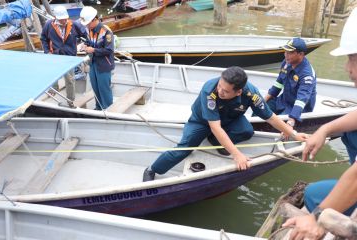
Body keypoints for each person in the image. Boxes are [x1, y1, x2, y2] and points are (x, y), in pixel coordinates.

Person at [143, 66, 308, 182]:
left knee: (247, 131)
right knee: (185, 148)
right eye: (220, 86)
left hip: (230, 119)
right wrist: (237, 155)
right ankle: (153, 169)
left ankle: (218, 143)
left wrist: (294, 134)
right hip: (203, 122)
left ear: (239, 92)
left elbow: (270, 117)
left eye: (225, 90)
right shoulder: (210, 90)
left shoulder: (252, 94)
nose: (220, 91)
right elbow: (215, 126)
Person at [283, 8, 357, 240]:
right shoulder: (287, 66)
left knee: (317, 200)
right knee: (315, 192)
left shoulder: (306, 73)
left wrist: (318, 218)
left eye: (352, 59)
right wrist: (325, 129)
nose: (347, 69)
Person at [264, 37, 316, 128]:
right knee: (261, 109)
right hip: (283, 101)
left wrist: (291, 120)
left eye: (290, 53)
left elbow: (301, 99)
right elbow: (278, 84)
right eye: (285, 51)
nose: (286, 55)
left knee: (280, 123)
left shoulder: (307, 75)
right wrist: (263, 101)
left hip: (297, 108)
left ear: (301, 54)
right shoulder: (286, 63)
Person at [40, 6, 87, 106]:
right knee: (52, 74)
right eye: (61, 19)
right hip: (55, 55)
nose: (64, 21)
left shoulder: (74, 24)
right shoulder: (49, 25)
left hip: (69, 57)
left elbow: (85, 34)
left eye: (65, 18)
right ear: (55, 17)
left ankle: (70, 100)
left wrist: (85, 44)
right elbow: (43, 38)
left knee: (70, 79)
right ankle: (54, 88)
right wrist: (47, 51)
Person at [79, 6, 115, 110]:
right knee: (95, 87)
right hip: (93, 63)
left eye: (88, 23)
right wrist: (84, 45)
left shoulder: (106, 31)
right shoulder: (89, 30)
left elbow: (109, 50)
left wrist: (93, 50)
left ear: (95, 19)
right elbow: (89, 41)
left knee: (104, 88)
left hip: (104, 64)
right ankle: (98, 107)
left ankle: (108, 109)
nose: (87, 26)